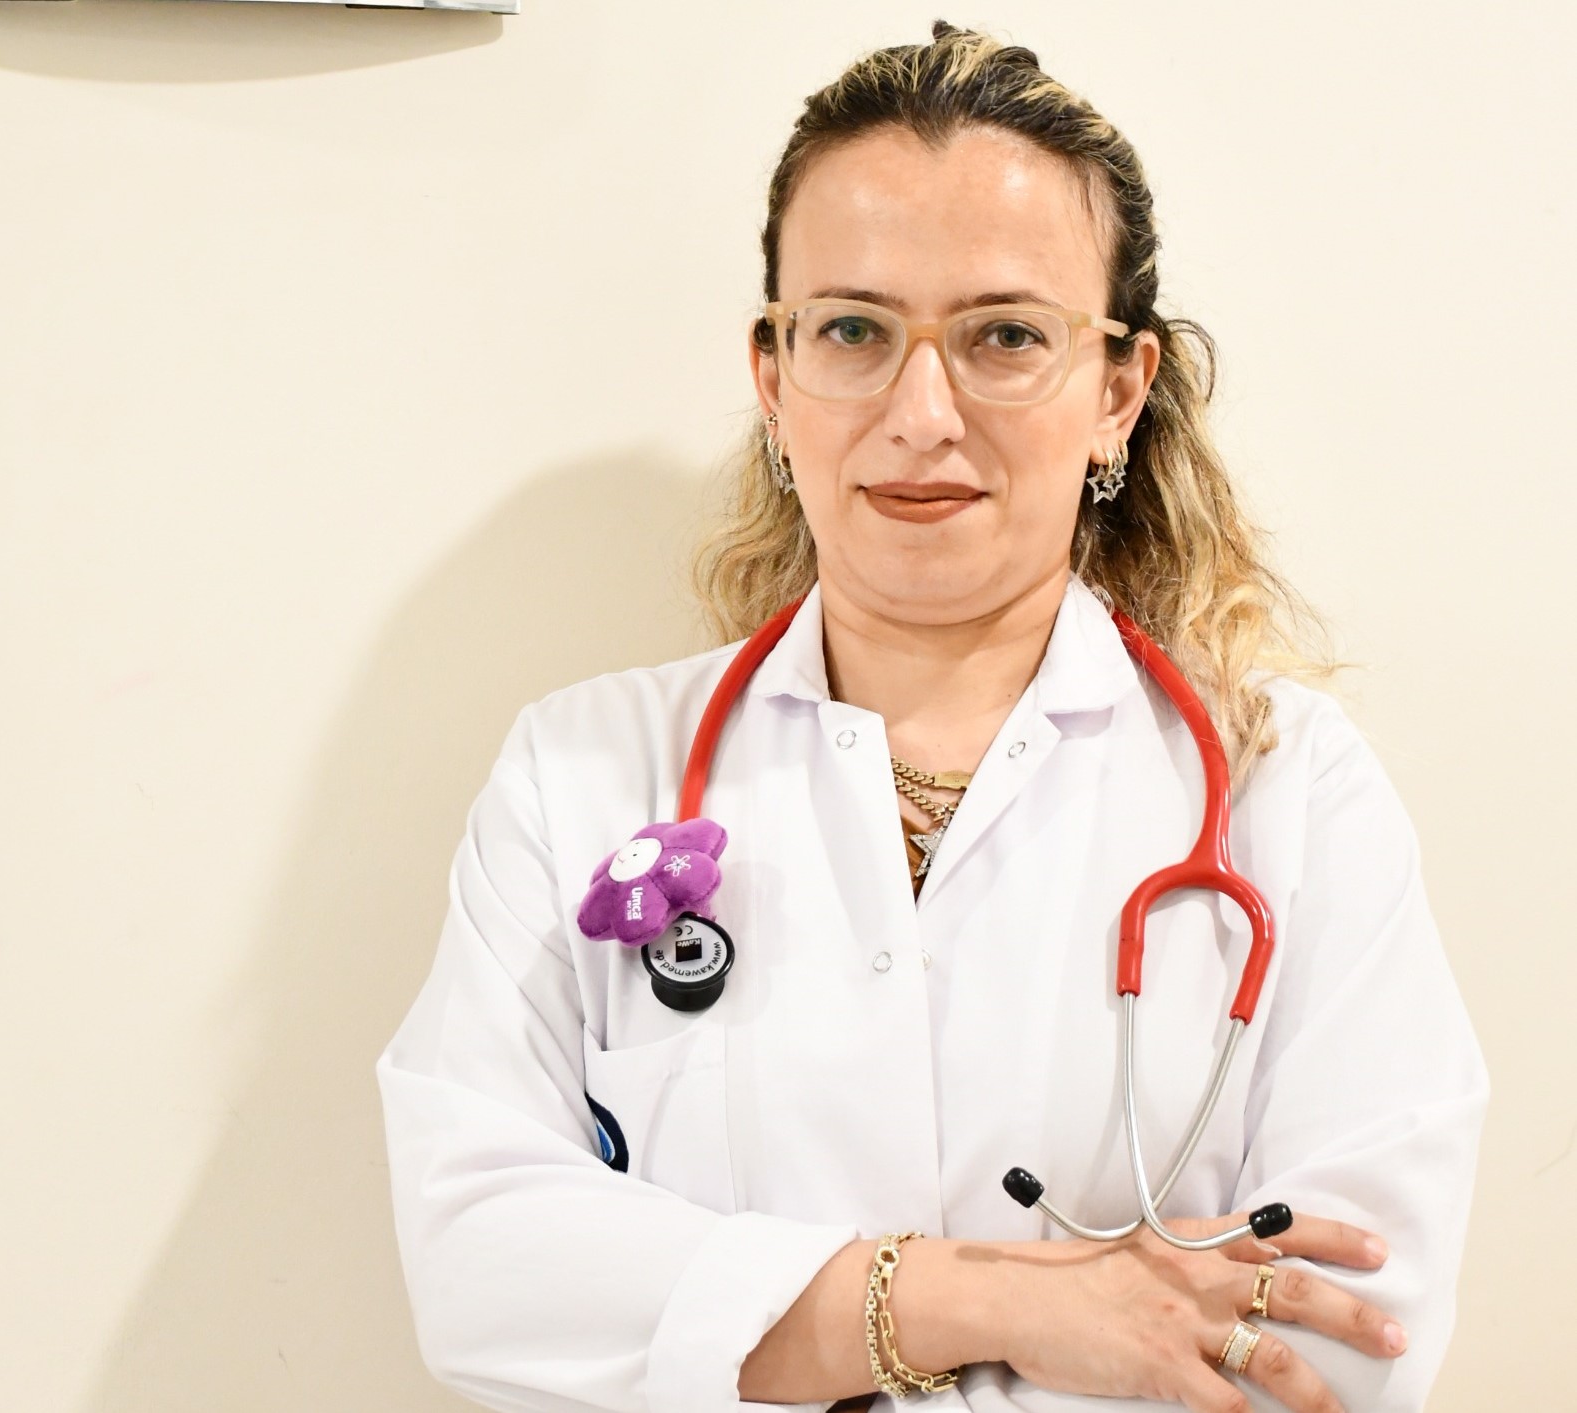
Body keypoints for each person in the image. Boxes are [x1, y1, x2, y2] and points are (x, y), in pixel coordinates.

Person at [375, 22, 1487, 1413]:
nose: (921, 413)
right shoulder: (578, 774)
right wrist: (1001, 1303)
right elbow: (484, 1267)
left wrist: (766, 1331)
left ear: (1117, 391)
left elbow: (1341, 1334)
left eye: (1004, 336)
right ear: (774, 376)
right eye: (852, 330)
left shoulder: (1292, 792)